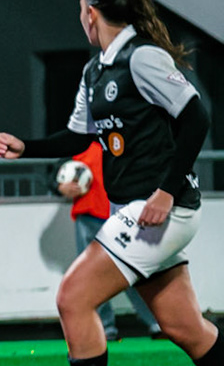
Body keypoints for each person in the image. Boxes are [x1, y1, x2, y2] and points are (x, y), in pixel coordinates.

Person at [0, 0, 223, 366]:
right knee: (186, 328)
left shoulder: (143, 57)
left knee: (73, 296)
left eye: (81, 10)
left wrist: (165, 192)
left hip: (159, 211)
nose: (81, 18)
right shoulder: (96, 70)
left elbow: (196, 115)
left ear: (91, 14)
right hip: (142, 211)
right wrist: (26, 146)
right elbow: (81, 136)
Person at [58, 140, 160, 342]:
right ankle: (105, 328)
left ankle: (156, 322)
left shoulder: (125, 141)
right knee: (92, 275)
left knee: (132, 270)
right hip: (89, 217)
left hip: (123, 216)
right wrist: (61, 186)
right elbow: (56, 173)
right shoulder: (80, 143)